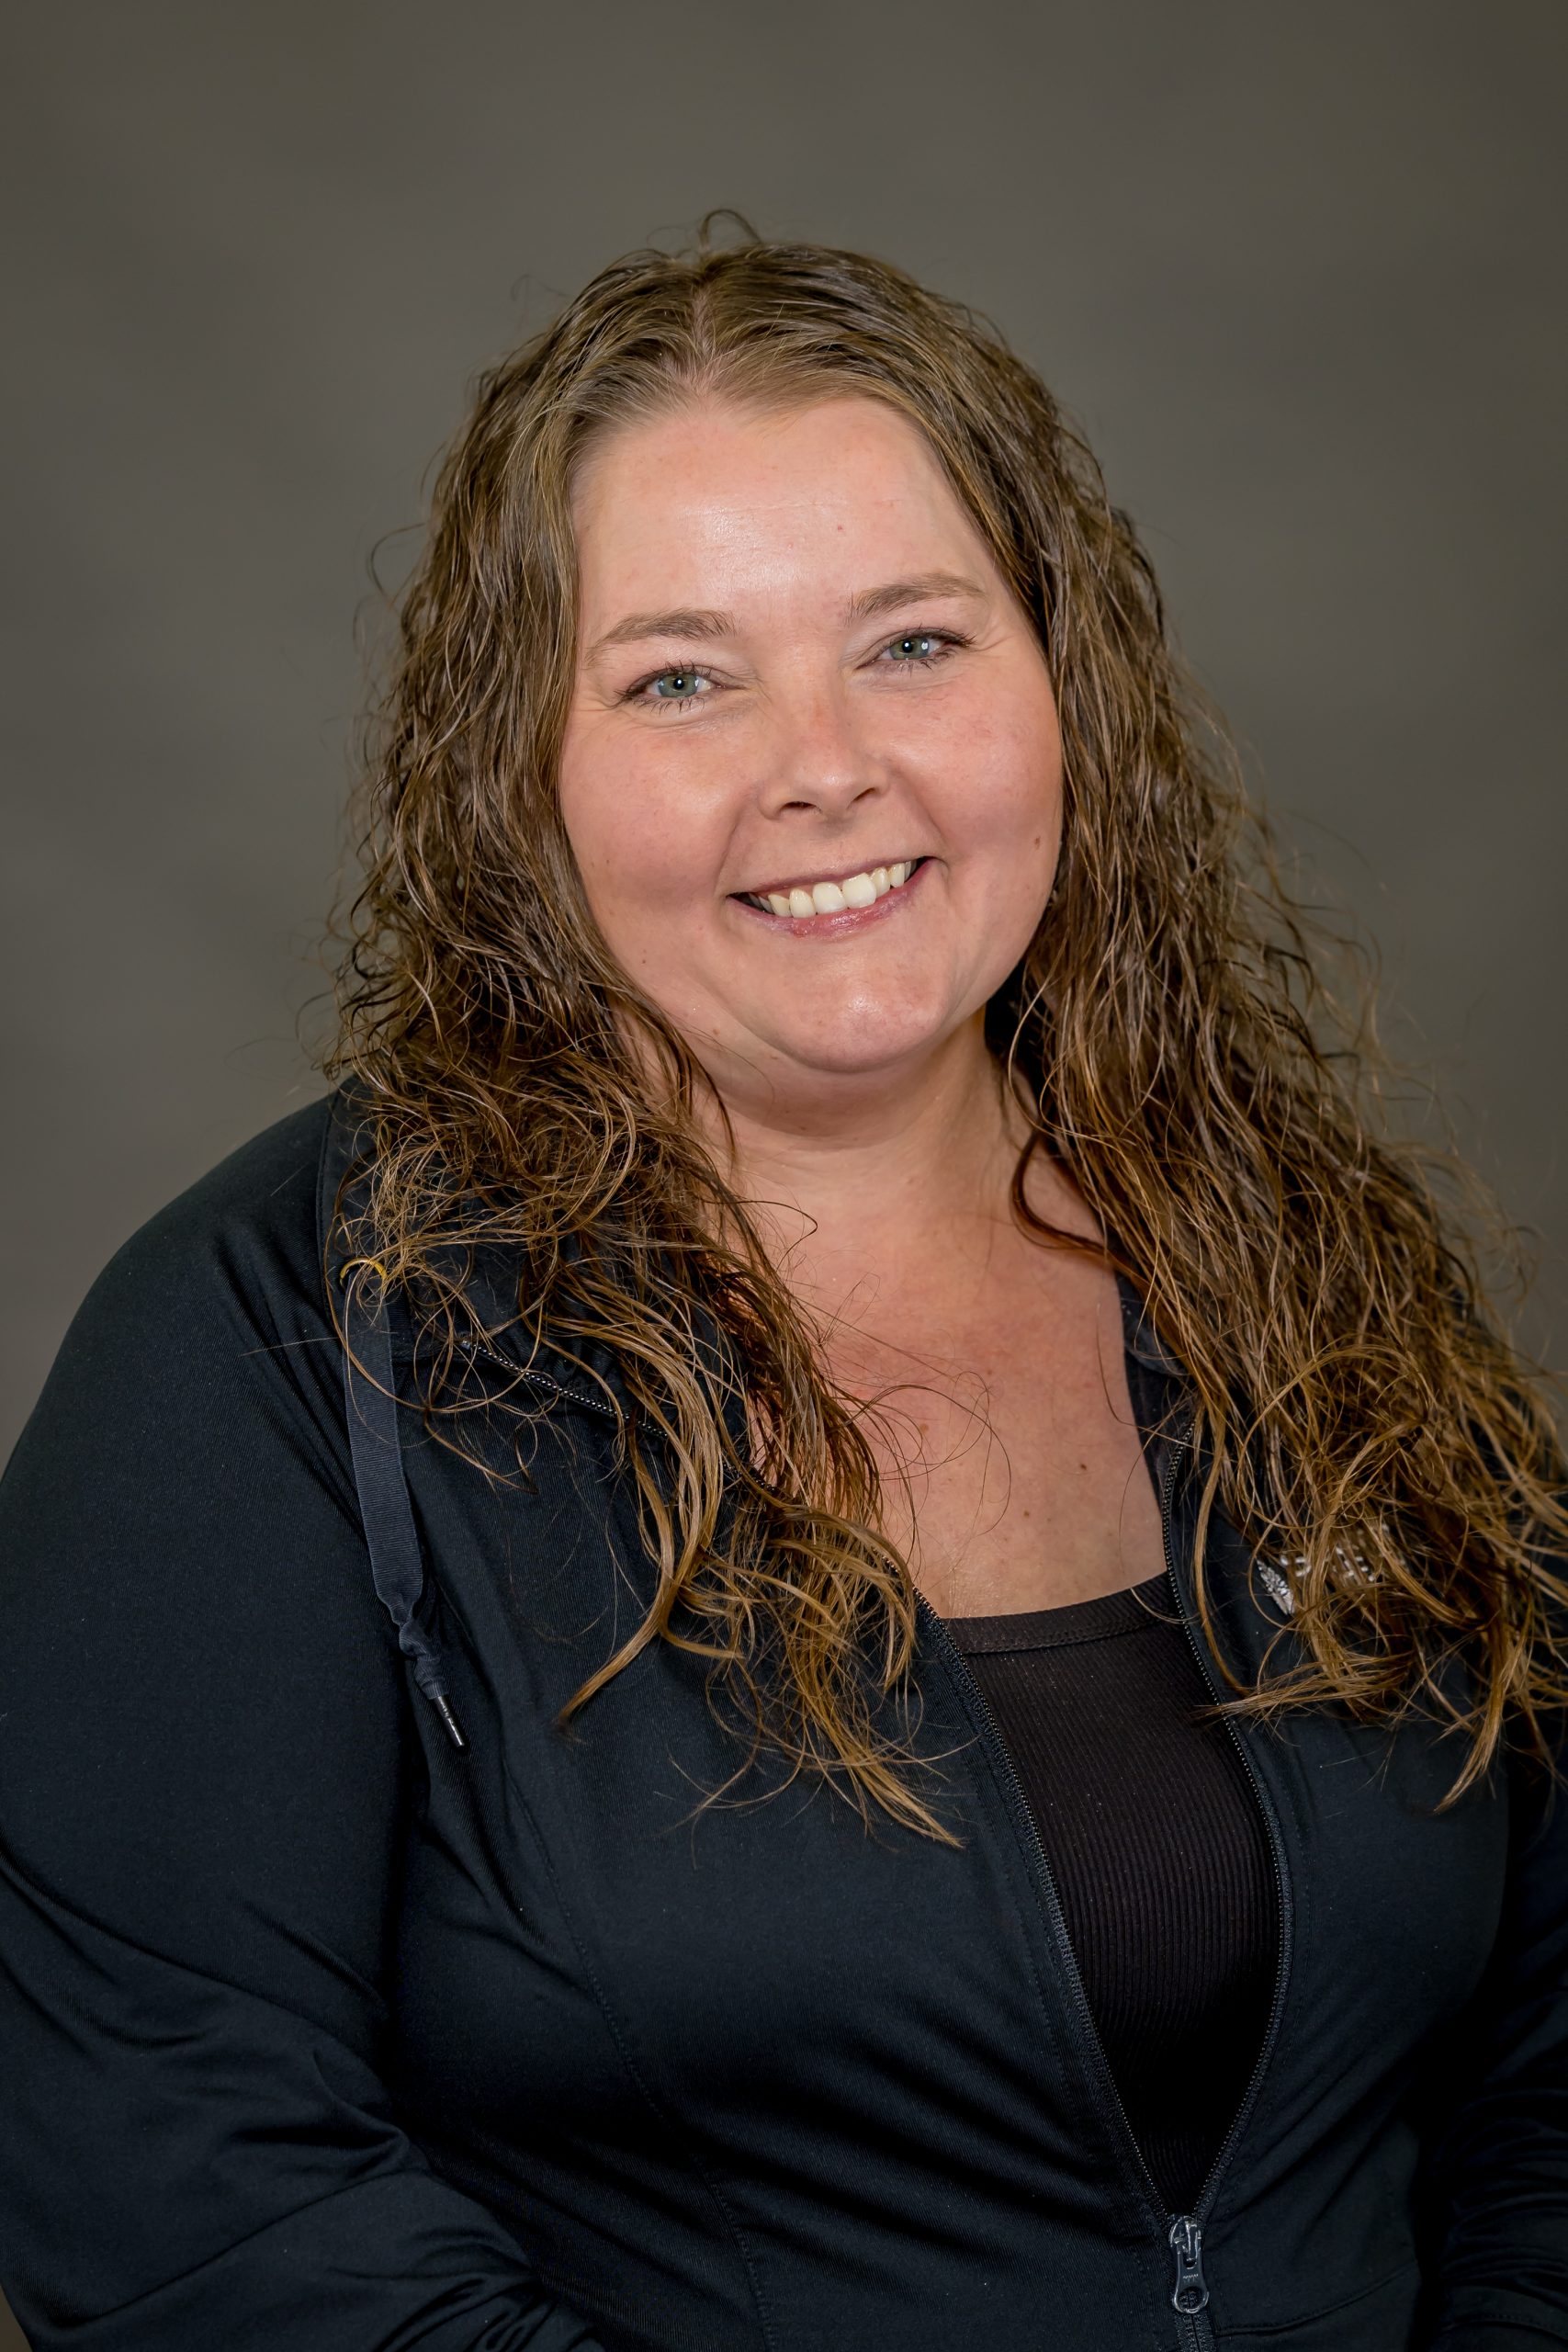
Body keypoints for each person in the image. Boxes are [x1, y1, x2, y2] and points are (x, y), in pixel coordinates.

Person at [0, 227, 1563, 2352]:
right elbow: (182, 2195)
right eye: (678, 676)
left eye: (912, 641)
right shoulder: (274, 1341)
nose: (822, 763)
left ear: (1060, 679)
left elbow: (1542, 2053)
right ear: (514, 774)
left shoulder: (1292, 1256)